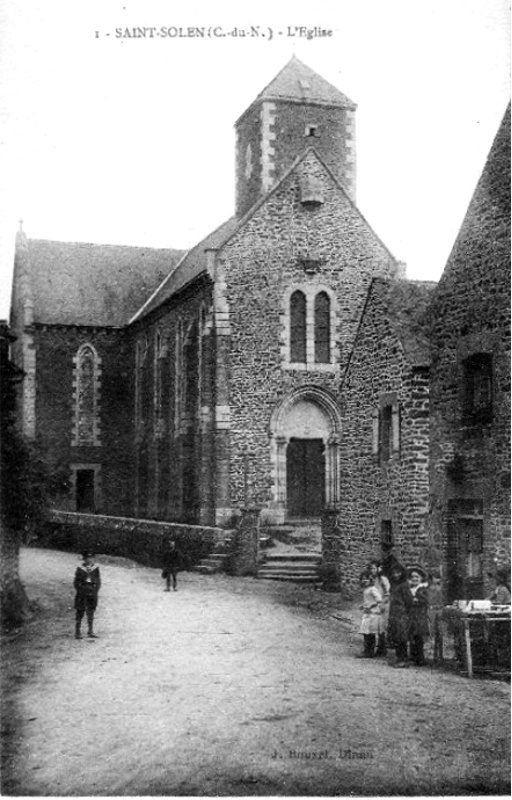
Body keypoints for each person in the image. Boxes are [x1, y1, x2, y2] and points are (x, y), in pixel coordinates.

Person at [387, 564, 413, 667]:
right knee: (396, 636)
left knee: (401, 636)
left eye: (398, 572)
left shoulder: (404, 585)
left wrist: (405, 611)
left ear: (402, 573)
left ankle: (404, 659)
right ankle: (399, 658)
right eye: (393, 573)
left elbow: (409, 600)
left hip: (401, 613)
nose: (396, 575)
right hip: (393, 612)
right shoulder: (393, 584)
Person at [74, 551, 101, 640]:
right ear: (84, 559)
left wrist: (95, 591)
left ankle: (90, 631)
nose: (89, 560)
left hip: (92, 592)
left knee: (91, 612)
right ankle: (77, 632)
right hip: (82, 592)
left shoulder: (96, 569)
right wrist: (81, 591)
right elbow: (76, 583)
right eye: (87, 558)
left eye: (91, 558)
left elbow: (98, 581)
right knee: (80, 611)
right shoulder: (80, 569)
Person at [408, 566, 430, 666]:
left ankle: (420, 658)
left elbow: (425, 601)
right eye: (412, 577)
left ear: (421, 578)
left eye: (417, 577)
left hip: (419, 615)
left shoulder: (422, 589)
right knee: (412, 636)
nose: (414, 579)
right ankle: (413, 656)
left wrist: (416, 600)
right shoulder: (410, 588)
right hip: (411, 615)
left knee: (419, 637)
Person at [357, 571, 382, 658]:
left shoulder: (373, 589)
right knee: (366, 632)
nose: (364, 581)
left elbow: (379, 599)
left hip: (373, 613)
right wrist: (363, 605)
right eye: (363, 579)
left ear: (370, 580)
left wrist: (371, 605)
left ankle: (370, 651)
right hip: (367, 613)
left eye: (366, 579)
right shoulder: (366, 589)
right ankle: (367, 650)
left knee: (370, 632)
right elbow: (368, 600)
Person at [369, 560, 390, 656]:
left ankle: (382, 648)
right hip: (375, 604)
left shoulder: (383, 579)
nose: (372, 570)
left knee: (382, 626)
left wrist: (383, 603)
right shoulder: (373, 579)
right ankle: (377, 648)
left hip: (383, 605)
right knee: (375, 626)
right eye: (371, 568)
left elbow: (388, 592)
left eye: (373, 568)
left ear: (378, 568)